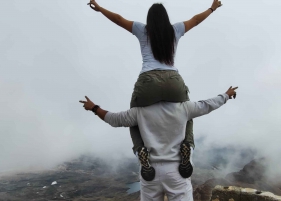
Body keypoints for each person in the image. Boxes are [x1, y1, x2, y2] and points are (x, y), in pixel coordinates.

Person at [87, 0, 223, 181]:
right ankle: (187, 146)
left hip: (147, 82)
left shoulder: (142, 30)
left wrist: (100, 8)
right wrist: (212, 8)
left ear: (149, 18)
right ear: (165, 18)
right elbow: (196, 20)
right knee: (188, 111)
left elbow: (119, 19)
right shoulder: (175, 30)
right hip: (173, 81)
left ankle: (140, 149)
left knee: (134, 116)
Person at [79, 86, 237, 201]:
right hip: (177, 171)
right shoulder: (184, 107)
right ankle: (186, 148)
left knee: (134, 126)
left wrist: (94, 107)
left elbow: (113, 119)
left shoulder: (139, 111)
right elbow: (208, 105)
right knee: (189, 120)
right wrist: (226, 95)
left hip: (151, 172)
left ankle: (141, 153)